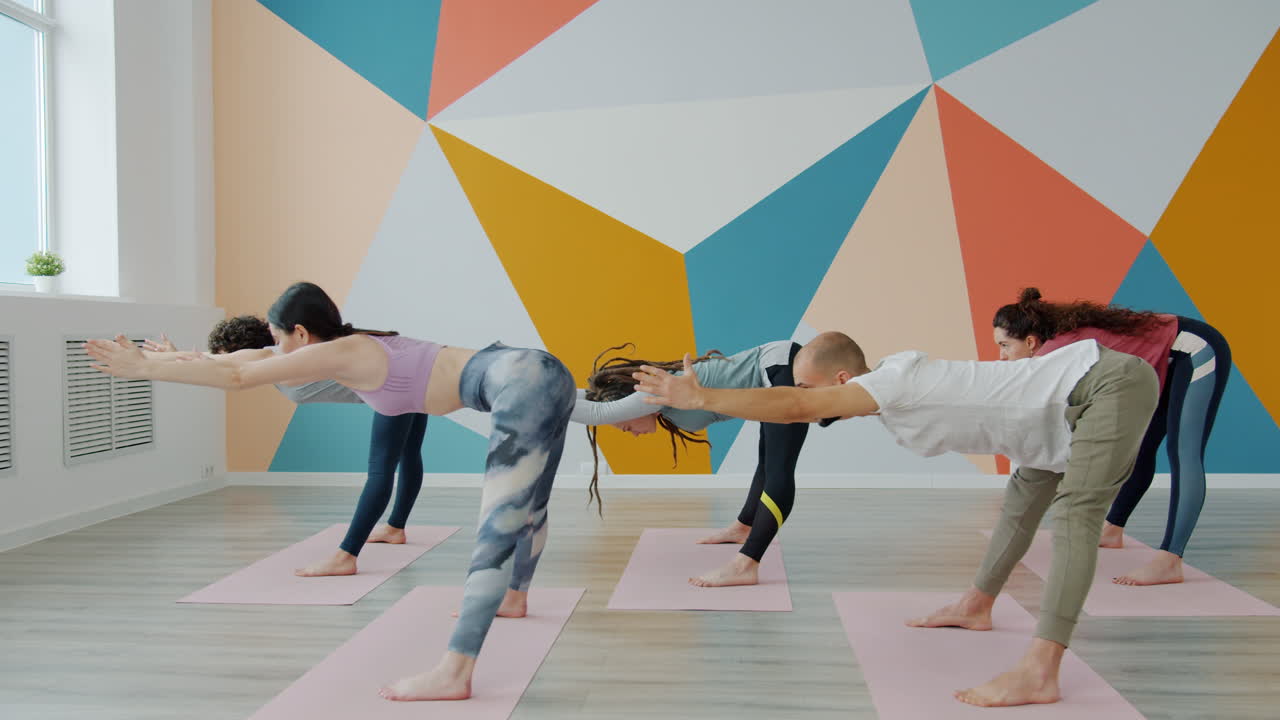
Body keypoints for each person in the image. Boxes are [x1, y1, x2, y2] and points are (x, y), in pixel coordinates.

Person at [87, 282, 576, 702]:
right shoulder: (353, 347)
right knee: (531, 507)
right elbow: (235, 361)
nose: (274, 347)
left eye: (278, 337)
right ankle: (514, 597)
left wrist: (145, 370)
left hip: (519, 380)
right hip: (534, 370)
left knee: (498, 524)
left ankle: (454, 672)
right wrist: (162, 358)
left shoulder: (345, 351)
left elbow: (238, 376)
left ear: (301, 334)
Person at [633, 330, 1158, 708]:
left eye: (812, 389)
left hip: (1105, 386)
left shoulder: (893, 382)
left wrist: (700, 397)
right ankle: (975, 607)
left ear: (841, 379)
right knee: (1019, 506)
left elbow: (793, 406)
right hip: (1048, 422)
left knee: (1075, 518)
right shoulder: (892, 393)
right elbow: (797, 402)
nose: (811, 403)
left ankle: (1040, 673)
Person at [145, 316, 430, 578]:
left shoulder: (268, 356)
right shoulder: (281, 361)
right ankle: (395, 528)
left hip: (396, 383)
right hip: (409, 377)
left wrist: (172, 357)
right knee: (408, 454)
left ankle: (346, 556)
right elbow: (212, 361)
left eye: (226, 357)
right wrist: (177, 355)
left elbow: (212, 362)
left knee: (380, 470)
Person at [571, 335, 860, 586]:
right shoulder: (660, 402)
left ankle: (746, 565)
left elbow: (598, 413)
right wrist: (561, 390)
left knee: (778, 468)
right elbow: (593, 401)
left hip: (780, 368)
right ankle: (743, 528)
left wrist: (544, 394)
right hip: (774, 370)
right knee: (767, 462)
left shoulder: (652, 394)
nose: (631, 433)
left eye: (625, 426)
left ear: (630, 406)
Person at [992, 288, 1231, 586]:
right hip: (1164, 362)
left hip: (1194, 349)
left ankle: (1170, 561)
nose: (1001, 356)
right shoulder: (1055, 349)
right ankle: (1112, 529)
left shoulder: (1056, 353)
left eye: (1005, 345)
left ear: (1030, 342)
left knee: (1184, 451)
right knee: (1141, 445)